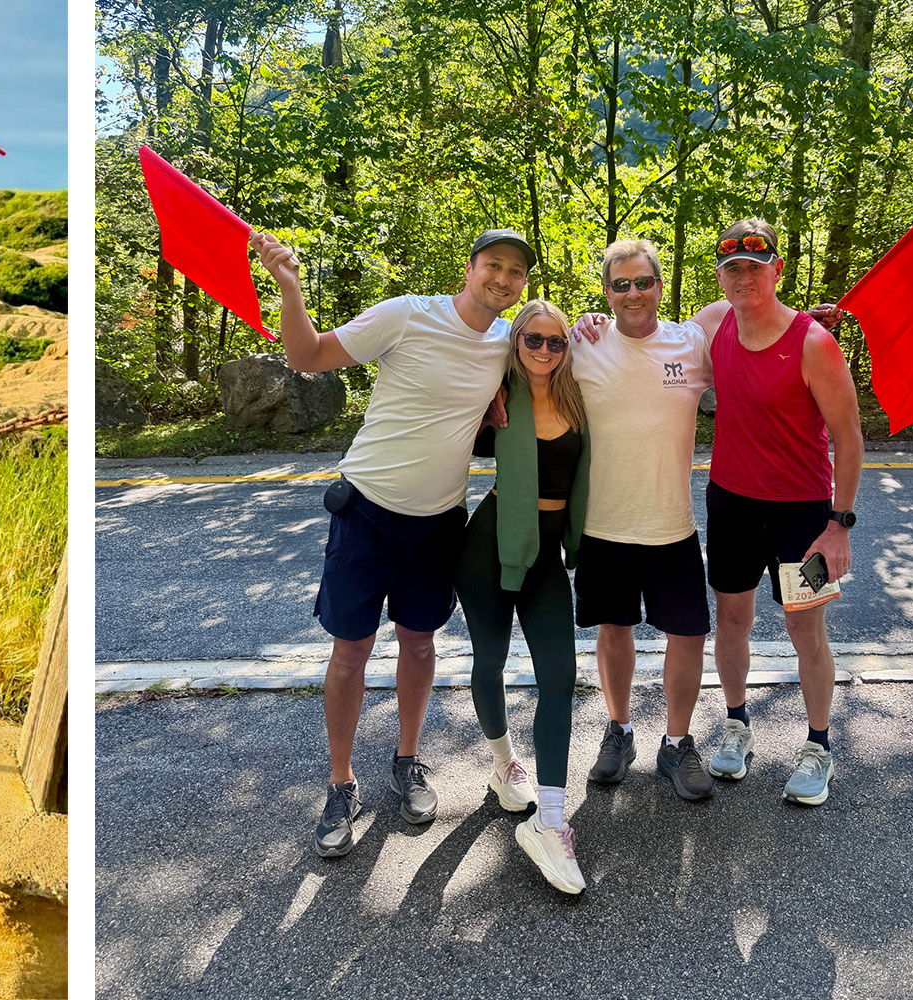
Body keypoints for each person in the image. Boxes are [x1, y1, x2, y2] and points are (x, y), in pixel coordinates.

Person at [250, 228, 531, 857]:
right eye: (494, 265)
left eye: (516, 272)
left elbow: (556, 355)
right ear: (471, 265)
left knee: (420, 643)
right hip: (366, 513)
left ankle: (407, 761)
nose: (503, 279)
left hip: (438, 522)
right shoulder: (409, 314)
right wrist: (289, 289)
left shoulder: (505, 344)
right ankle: (340, 782)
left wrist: (594, 323)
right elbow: (309, 356)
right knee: (350, 652)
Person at [693, 219, 861, 806]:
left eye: (754, 267)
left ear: (776, 270)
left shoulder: (813, 342)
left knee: (804, 625)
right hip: (732, 505)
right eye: (732, 268)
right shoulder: (713, 325)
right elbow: (649, 342)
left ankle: (819, 745)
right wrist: (591, 325)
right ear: (721, 275)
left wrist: (838, 525)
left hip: (803, 515)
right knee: (732, 620)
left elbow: (849, 437)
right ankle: (737, 725)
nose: (743, 277)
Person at [567, 241, 718, 801]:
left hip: (671, 524)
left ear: (660, 285)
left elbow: (747, 324)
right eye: (620, 285)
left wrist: (812, 319)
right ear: (606, 292)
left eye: (643, 282)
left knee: (688, 634)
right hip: (603, 524)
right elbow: (522, 355)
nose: (633, 294)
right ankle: (619, 729)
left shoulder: (690, 343)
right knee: (613, 629)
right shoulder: (584, 345)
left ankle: (677, 743)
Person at [454, 299, 589, 893]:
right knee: (489, 659)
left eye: (555, 341)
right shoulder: (495, 385)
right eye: (532, 340)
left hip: (549, 555)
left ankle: (550, 821)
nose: (543, 350)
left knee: (559, 675)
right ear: (515, 343)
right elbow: (442, 372)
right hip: (490, 545)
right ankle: (504, 765)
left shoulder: (582, 390)